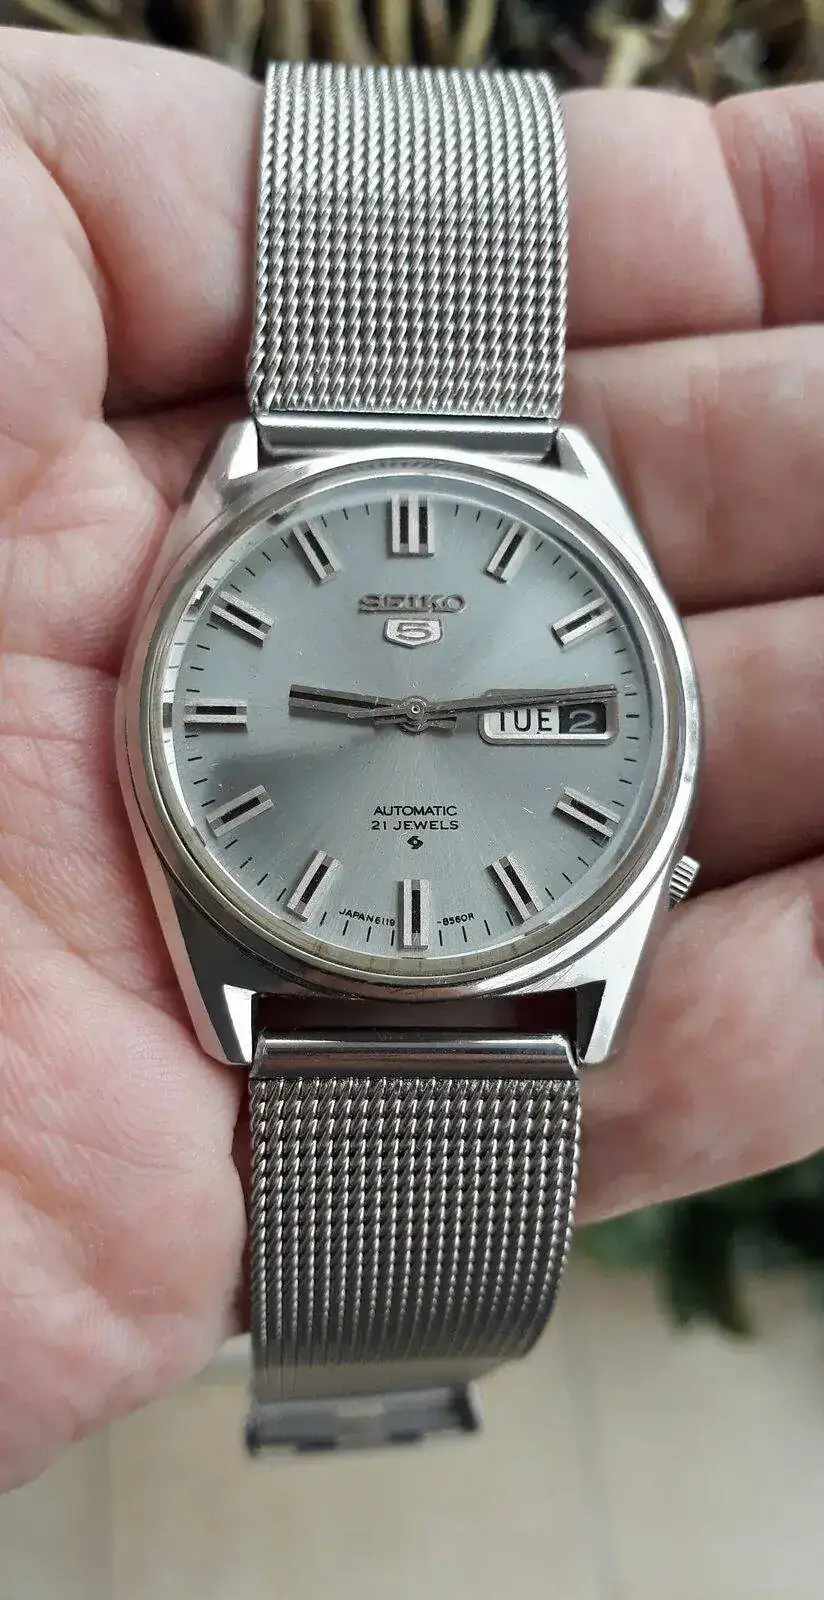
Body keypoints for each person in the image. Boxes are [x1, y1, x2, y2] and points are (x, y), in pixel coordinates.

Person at [0, 28, 822, 1493]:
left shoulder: (546, 511)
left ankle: (374, 1369)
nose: (416, 716)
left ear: (667, 725)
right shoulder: (286, 495)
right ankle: (372, 1374)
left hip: (452, 913)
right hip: (327, 919)